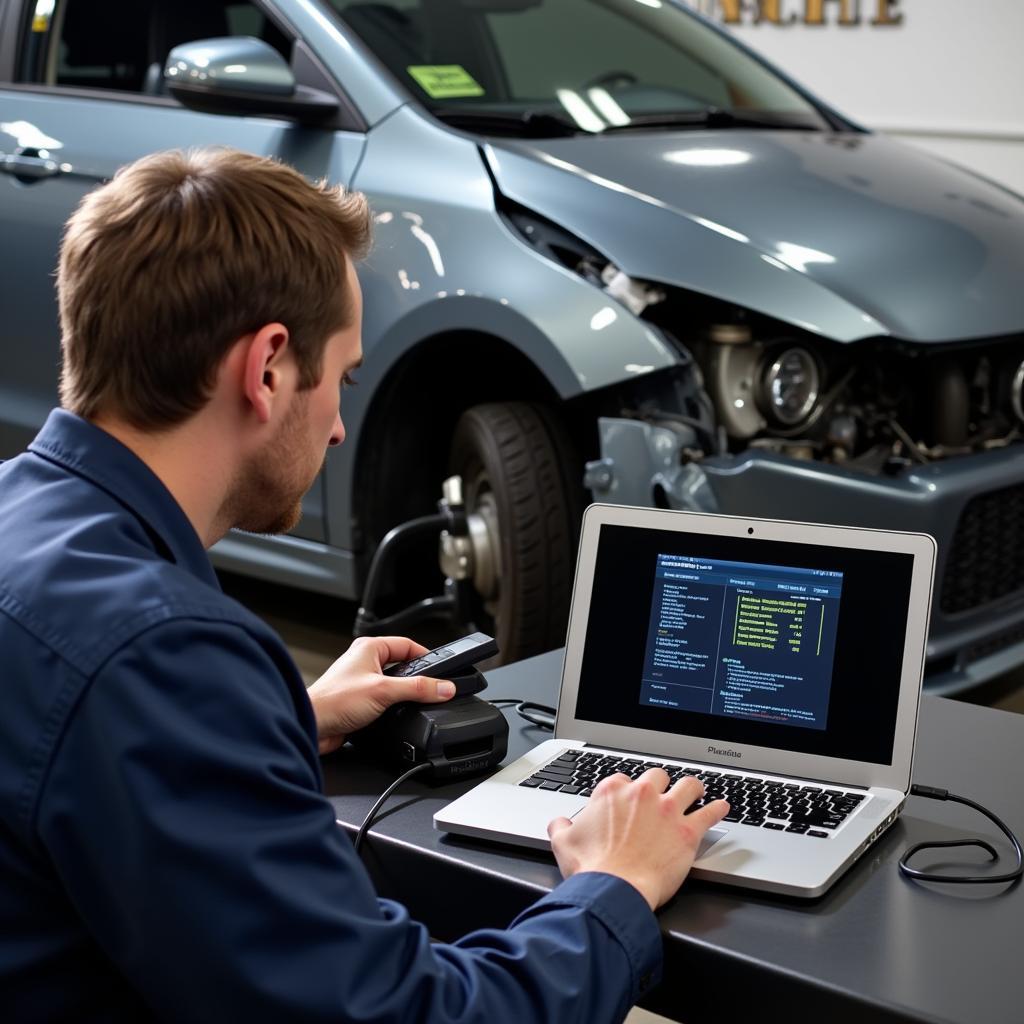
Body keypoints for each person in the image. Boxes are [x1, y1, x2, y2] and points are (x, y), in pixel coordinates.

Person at [0, 148, 729, 1022]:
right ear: (267, 368)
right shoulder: (161, 652)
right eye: (342, 379)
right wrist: (613, 886)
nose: (342, 427)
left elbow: (56, 758)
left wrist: (277, 724)